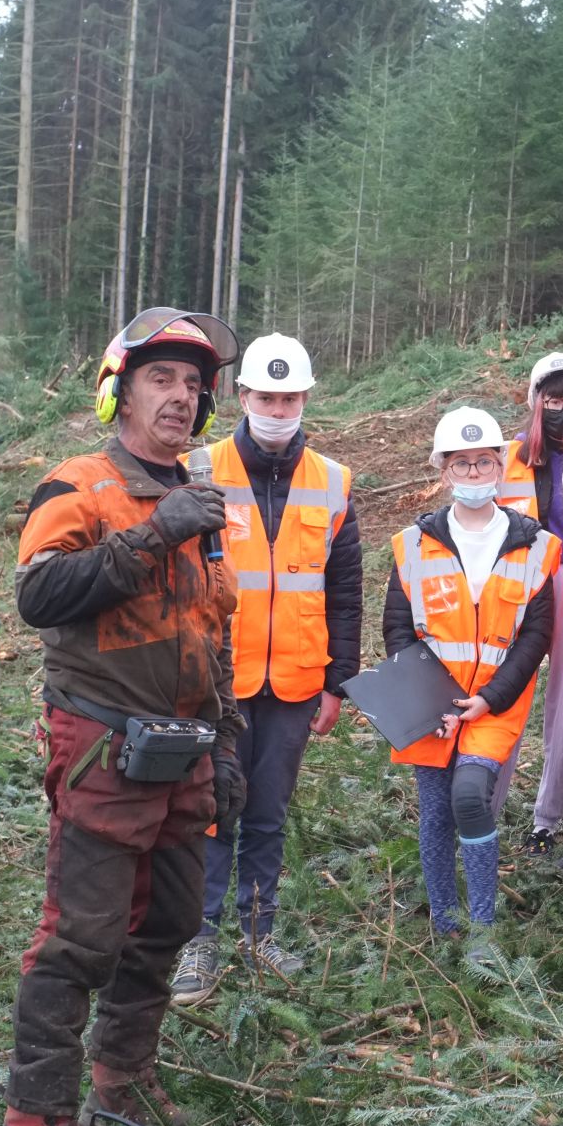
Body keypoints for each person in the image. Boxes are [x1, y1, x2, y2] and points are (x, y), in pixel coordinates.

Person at [0, 307, 247, 1126]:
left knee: (169, 923)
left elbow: (213, 635)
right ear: (120, 392)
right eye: (161, 379)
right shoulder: (80, 484)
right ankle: (36, 1122)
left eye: (193, 384)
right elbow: (39, 597)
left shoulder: (198, 503)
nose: (181, 397)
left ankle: (123, 1077)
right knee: (79, 939)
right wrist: (149, 536)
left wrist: (231, 744)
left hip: (185, 754)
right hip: (104, 748)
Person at [170, 333, 362, 1007]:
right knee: (214, 808)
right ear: (242, 397)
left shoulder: (334, 482)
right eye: (266, 396)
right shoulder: (199, 469)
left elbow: (344, 590)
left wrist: (339, 680)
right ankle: (199, 941)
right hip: (217, 682)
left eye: (290, 397)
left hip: (295, 682)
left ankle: (259, 935)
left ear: (305, 398)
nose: (279, 408)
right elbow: (176, 579)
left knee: (269, 813)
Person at [384, 407, 559, 960]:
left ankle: (483, 926)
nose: (475, 472)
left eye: (484, 461)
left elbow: (536, 634)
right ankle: (445, 922)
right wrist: (425, 692)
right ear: (444, 470)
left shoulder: (534, 544)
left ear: (500, 467)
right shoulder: (412, 545)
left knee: (468, 796)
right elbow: (395, 625)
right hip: (432, 705)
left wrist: (489, 698)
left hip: (495, 704)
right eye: (463, 463)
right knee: (435, 812)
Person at [495, 352, 563, 862]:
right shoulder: (506, 458)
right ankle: (482, 811)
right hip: (517, 589)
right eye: (554, 399)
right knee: (506, 693)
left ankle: (547, 819)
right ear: (535, 401)